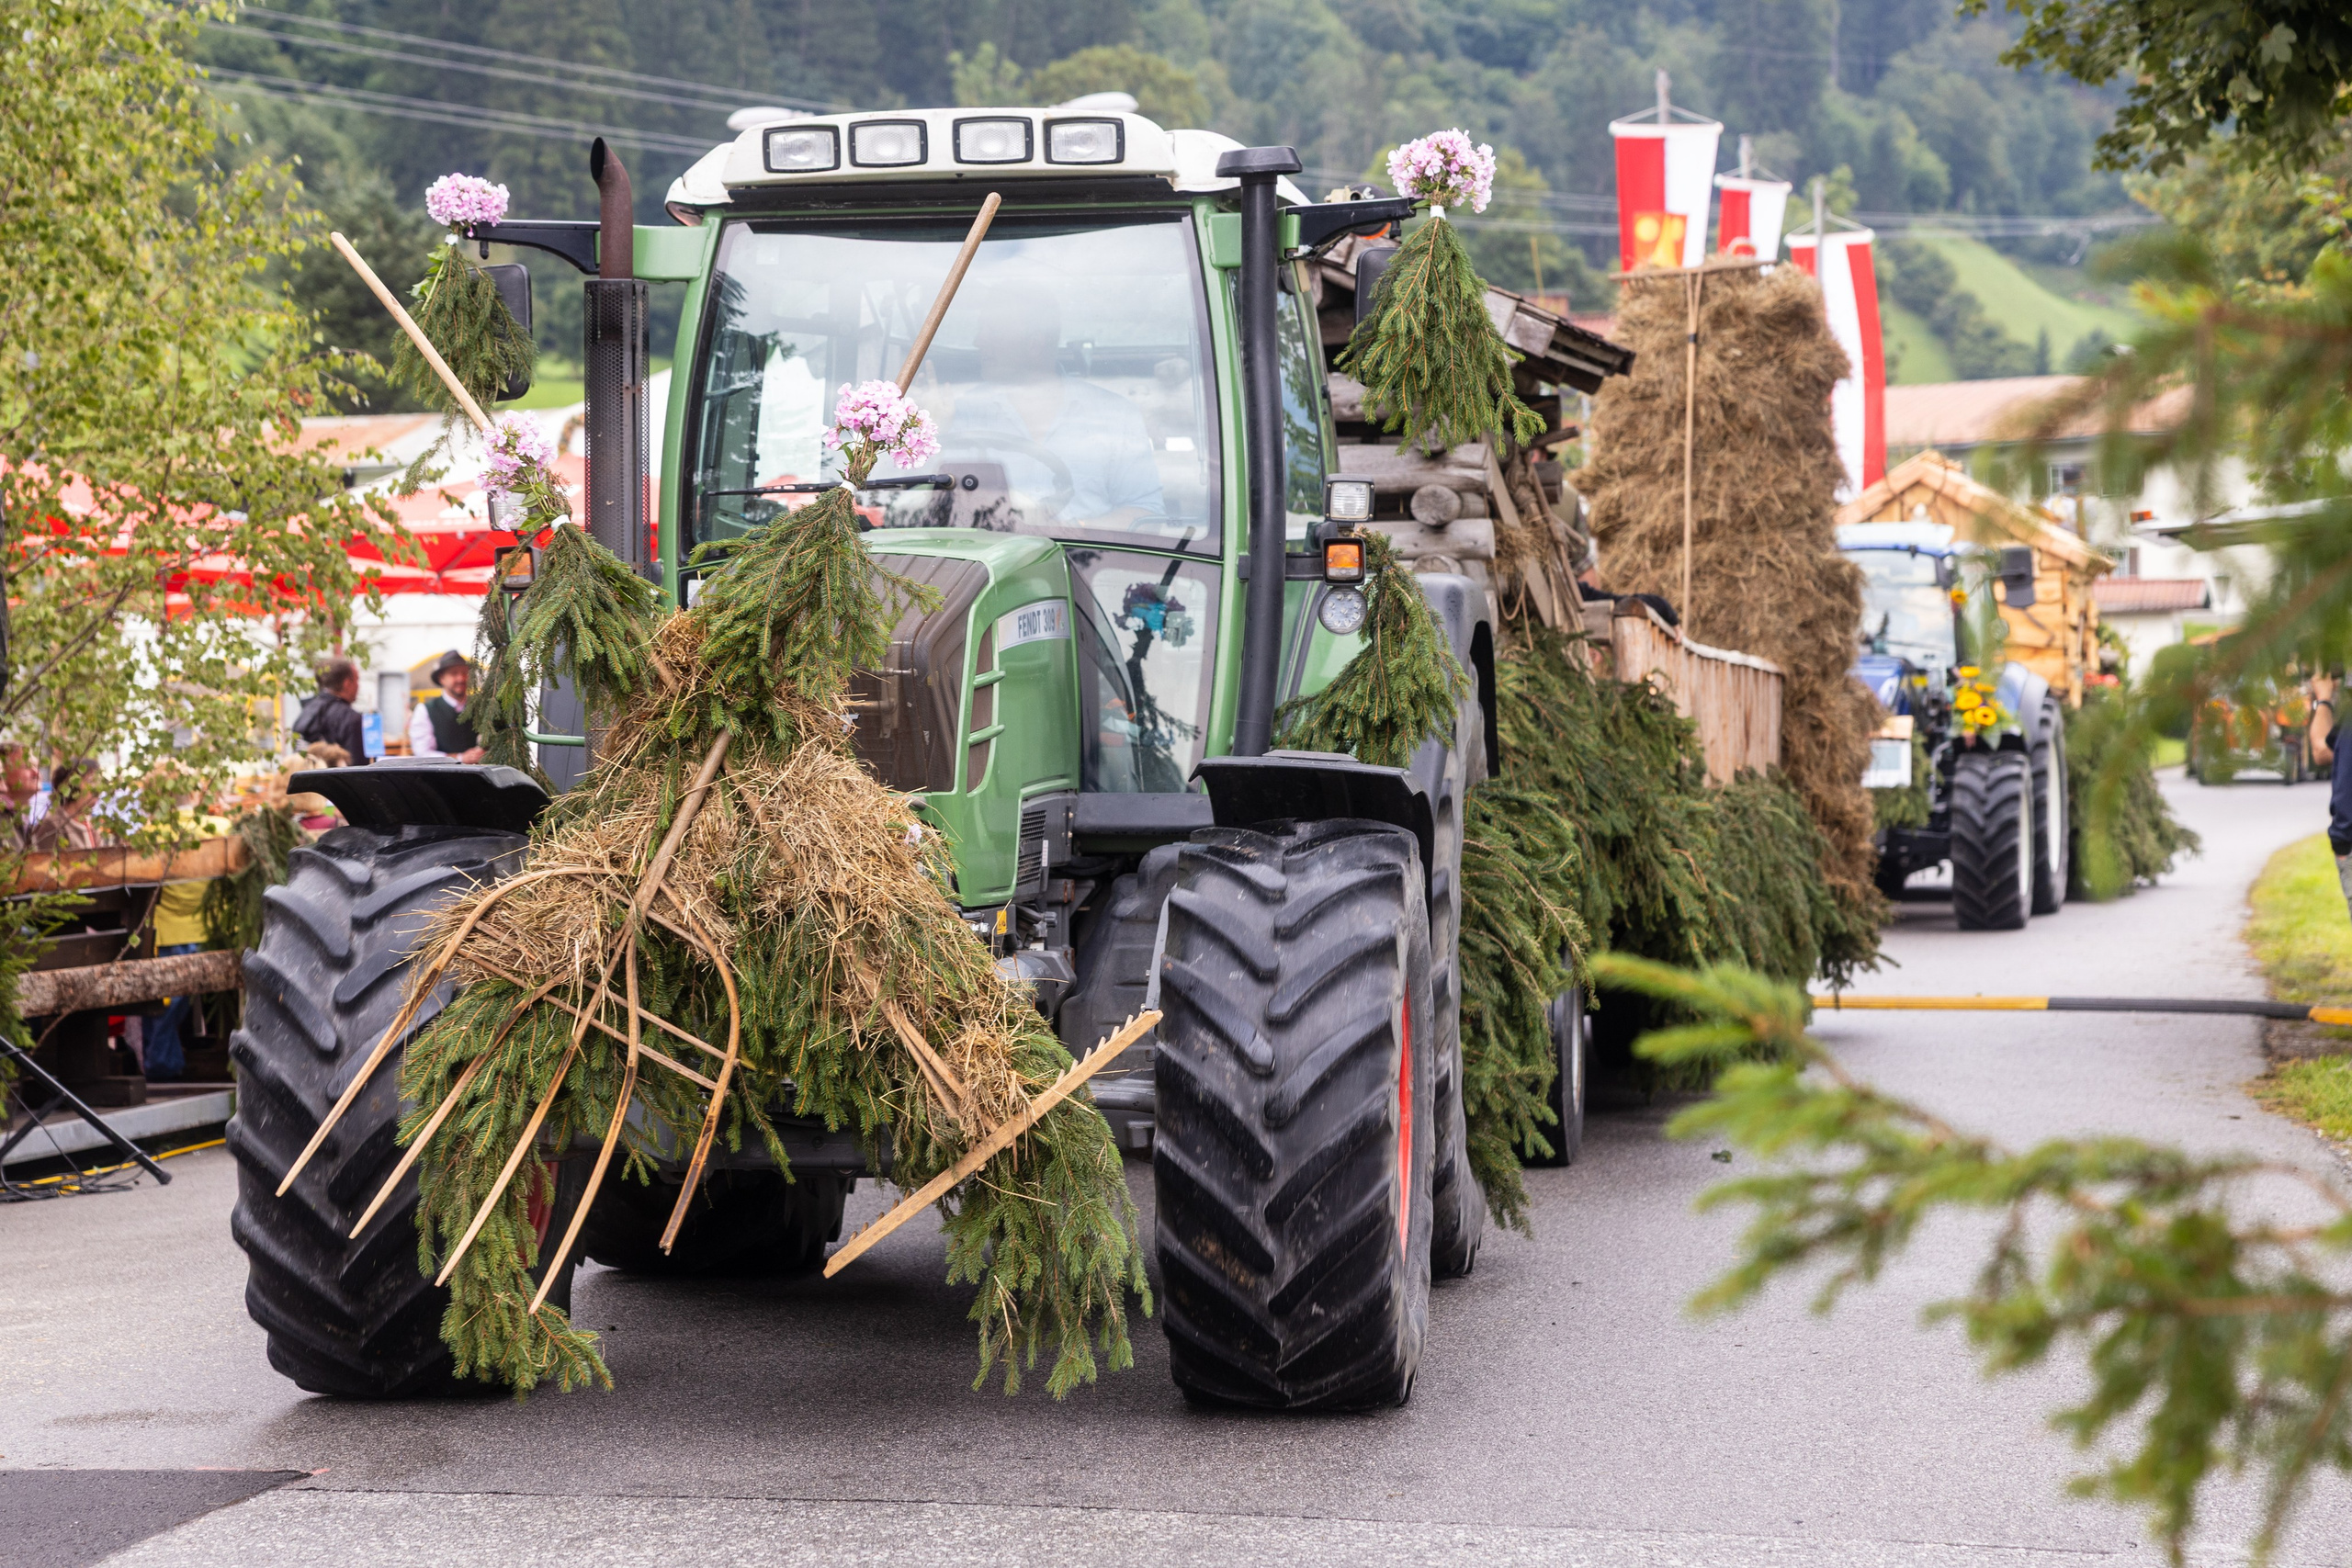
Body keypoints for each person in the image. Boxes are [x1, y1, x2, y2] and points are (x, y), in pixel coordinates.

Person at [943, 294, 1165, 529]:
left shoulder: (1115, 414)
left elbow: (1147, 515)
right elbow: (930, 505)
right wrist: (935, 427)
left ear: (1035, 344)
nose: (978, 341)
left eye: (993, 332)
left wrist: (1076, 528)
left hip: (1089, 561)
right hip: (986, 560)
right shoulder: (961, 413)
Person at [408, 649, 484, 762]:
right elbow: (422, 753)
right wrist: (460, 758)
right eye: (454, 673)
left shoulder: (481, 706)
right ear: (441, 678)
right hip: (441, 777)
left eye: (464, 673)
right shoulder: (426, 710)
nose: (461, 678)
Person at [293, 655, 367, 766]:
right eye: (357, 680)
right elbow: (359, 769)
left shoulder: (305, 712)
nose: (358, 686)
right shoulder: (351, 719)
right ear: (347, 683)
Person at [28, 759, 103, 852]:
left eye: (99, 782)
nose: (98, 788)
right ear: (71, 785)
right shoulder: (53, 825)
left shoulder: (89, 824)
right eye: (91, 781)